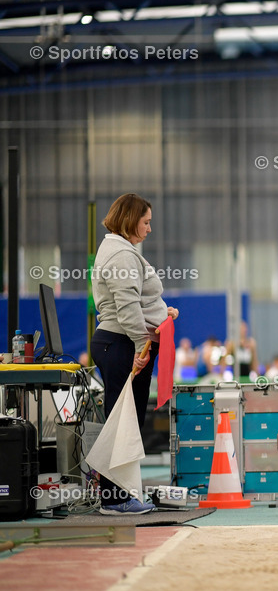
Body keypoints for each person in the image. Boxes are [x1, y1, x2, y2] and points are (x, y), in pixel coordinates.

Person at [91, 193, 179, 515]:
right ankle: (115, 499)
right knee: (124, 423)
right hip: (123, 344)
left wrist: (160, 314)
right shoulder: (122, 256)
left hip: (120, 342)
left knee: (125, 421)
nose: (149, 229)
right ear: (130, 220)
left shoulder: (119, 251)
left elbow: (133, 303)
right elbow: (127, 309)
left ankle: (119, 495)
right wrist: (142, 345)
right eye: (146, 222)